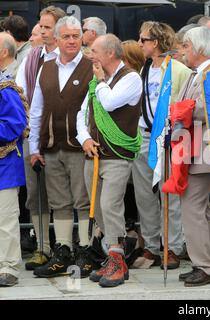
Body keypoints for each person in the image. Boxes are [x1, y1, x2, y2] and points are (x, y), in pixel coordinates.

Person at [29, 16, 94, 278]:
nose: (71, 41)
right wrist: (35, 147)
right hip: (51, 146)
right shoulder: (45, 67)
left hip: (80, 148)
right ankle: (64, 252)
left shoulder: (91, 66)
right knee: (59, 202)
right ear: (56, 39)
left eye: (75, 36)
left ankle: (86, 252)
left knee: (83, 201)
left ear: (81, 38)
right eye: (66, 36)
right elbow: (36, 110)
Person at [77, 33, 143, 288]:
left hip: (116, 156)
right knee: (100, 209)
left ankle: (118, 260)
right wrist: (84, 138)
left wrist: (101, 81)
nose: (90, 54)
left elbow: (110, 103)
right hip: (93, 154)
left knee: (110, 205)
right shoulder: (97, 82)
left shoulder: (131, 78)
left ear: (110, 54)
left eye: (94, 50)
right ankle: (114, 256)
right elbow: (83, 113)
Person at [131, 21, 191, 270]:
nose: (139, 43)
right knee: (144, 195)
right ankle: (152, 245)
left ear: (155, 43)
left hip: (169, 136)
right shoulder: (142, 70)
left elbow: (188, 103)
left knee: (170, 194)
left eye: (143, 40)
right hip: (144, 135)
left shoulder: (178, 69)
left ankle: (173, 246)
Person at [15, 5, 65, 271]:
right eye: (41, 26)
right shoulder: (32, 57)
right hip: (34, 133)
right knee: (35, 195)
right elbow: (22, 93)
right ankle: (42, 247)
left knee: (63, 195)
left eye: (47, 27)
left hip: (63, 136)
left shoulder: (70, 57)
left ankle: (67, 246)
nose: (43, 31)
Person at [176, 26, 210, 287]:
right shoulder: (198, 73)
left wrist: (182, 110)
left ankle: (203, 265)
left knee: (192, 209)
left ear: (200, 48)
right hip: (194, 149)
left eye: (187, 46)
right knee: (201, 210)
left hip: (204, 150)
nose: (184, 51)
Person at [0, 67, 28, 287]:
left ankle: (9, 267)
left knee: (5, 220)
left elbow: (15, 125)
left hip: (5, 167)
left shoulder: (6, 89)